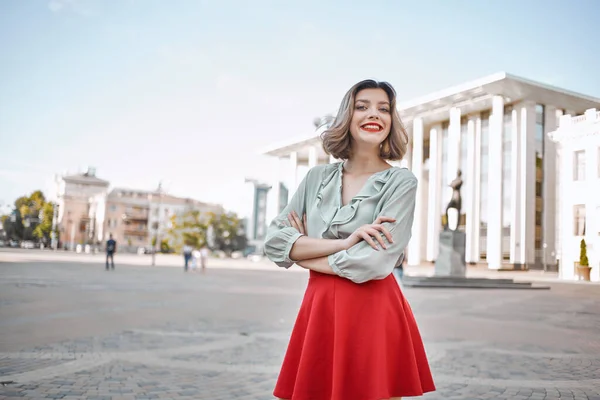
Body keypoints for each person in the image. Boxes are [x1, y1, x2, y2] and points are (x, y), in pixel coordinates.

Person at [264, 79, 435, 400]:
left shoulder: (401, 182)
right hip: (319, 309)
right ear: (347, 116)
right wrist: (344, 243)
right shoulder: (316, 178)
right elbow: (274, 241)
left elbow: (374, 261)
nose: (375, 114)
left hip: (374, 308)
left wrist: (301, 253)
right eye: (363, 106)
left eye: (384, 108)